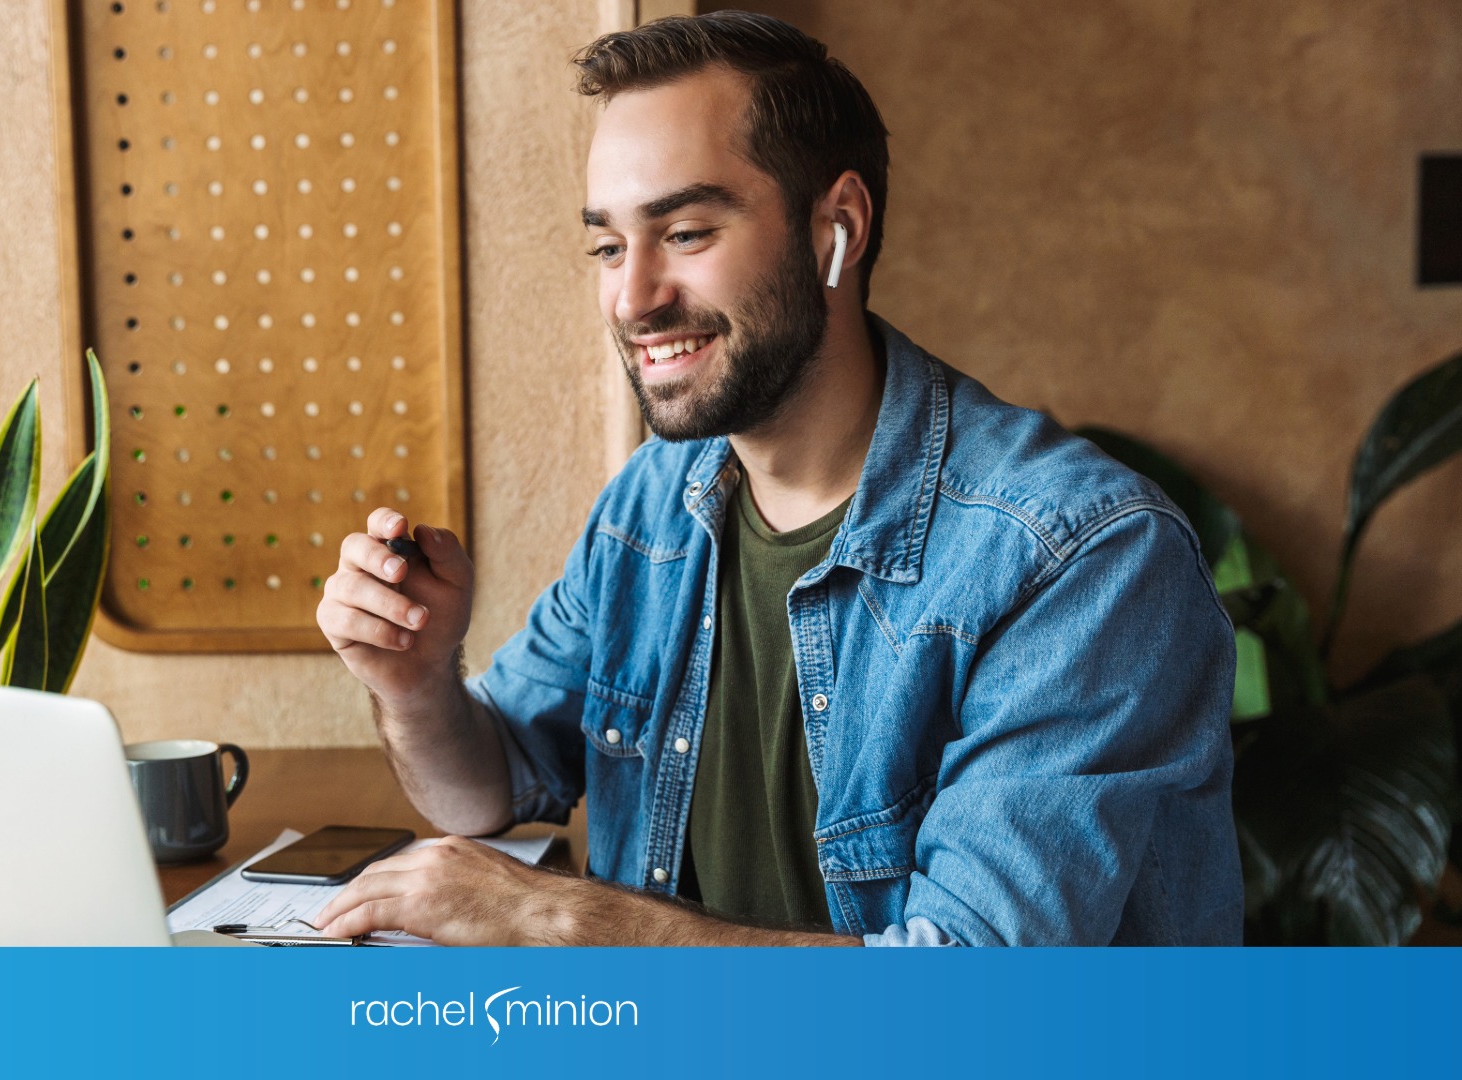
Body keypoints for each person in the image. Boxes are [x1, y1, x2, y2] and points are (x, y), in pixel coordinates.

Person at [312, 12, 1242, 946]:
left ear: (838, 225)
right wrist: (418, 683)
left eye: (683, 232)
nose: (633, 298)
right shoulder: (653, 503)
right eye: (607, 246)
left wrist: (559, 919)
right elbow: (491, 783)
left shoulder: (1082, 559)